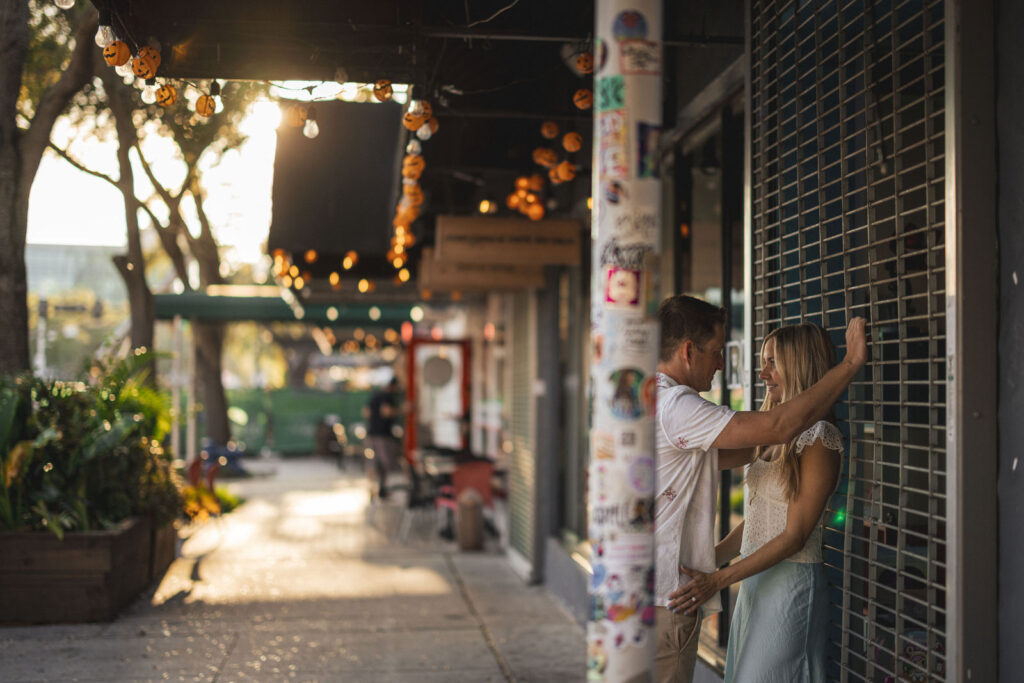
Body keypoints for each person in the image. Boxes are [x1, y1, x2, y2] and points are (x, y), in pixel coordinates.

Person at [652, 295, 867, 683]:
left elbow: (792, 533)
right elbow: (775, 431)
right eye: (717, 352)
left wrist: (712, 571)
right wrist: (712, 571)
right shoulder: (678, 407)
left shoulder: (819, 439)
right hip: (752, 584)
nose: (761, 373)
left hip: (786, 586)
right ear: (687, 351)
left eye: (772, 362)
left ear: (798, 365)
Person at [365, 376, 400, 499]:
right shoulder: (387, 396)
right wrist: (402, 410)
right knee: (385, 463)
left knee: (372, 463)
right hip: (382, 435)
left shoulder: (374, 396)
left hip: (371, 434)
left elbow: (366, 412)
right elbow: (386, 412)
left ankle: (372, 489)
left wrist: (374, 421)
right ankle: (383, 488)